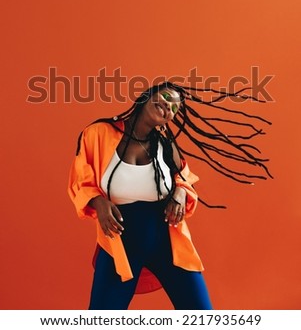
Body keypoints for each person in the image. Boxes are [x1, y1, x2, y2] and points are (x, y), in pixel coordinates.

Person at [68, 81, 271, 310]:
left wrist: (180, 194)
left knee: (201, 317)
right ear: (148, 95)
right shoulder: (99, 133)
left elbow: (184, 178)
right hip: (120, 242)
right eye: (166, 99)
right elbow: (80, 180)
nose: (168, 108)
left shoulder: (164, 143)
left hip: (167, 241)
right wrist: (99, 202)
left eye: (175, 109)